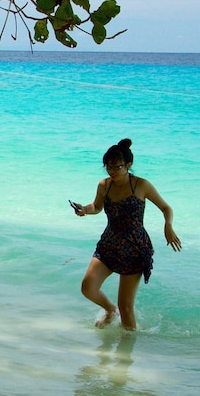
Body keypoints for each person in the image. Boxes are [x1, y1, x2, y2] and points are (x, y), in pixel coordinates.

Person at [70, 139, 181, 330]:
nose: (111, 171)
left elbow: (165, 207)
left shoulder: (141, 185)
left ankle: (126, 353)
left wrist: (168, 226)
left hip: (134, 248)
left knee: (126, 307)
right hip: (109, 244)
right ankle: (110, 310)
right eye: (108, 167)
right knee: (88, 288)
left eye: (116, 167)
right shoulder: (104, 185)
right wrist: (84, 210)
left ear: (128, 165)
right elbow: (96, 206)